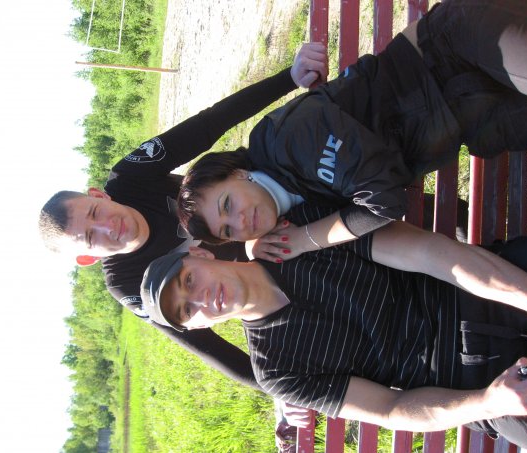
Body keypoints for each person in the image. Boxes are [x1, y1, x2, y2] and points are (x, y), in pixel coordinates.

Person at [141, 202, 527, 451]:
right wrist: (489, 403)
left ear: (201, 255)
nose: (202, 299)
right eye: (187, 310)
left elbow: (428, 253)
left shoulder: (295, 234)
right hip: (470, 382)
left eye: (188, 281)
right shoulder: (277, 370)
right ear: (196, 327)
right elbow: (390, 409)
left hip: (473, 289)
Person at [38, 43, 327, 391]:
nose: (108, 227)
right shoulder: (126, 283)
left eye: (95, 212)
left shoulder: (129, 178)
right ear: (88, 258)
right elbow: (204, 345)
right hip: (272, 265)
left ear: (99, 195)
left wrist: (289, 78)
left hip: (258, 199)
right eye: (90, 237)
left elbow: (208, 124)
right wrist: (281, 389)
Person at [177, 0, 527, 261]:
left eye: (228, 204)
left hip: (454, 51)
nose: (240, 222)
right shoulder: (295, 201)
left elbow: (385, 200)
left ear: (237, 174)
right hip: (477, 120)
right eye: (228, 231)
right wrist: (254, 247)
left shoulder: (288, 142)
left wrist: (306, 240)